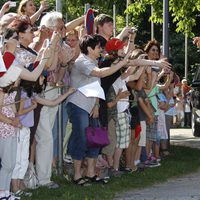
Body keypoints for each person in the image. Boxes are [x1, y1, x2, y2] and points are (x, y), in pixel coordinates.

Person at [66, 35, 130, 186]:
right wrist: (121, 64)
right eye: (99, 47)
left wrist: (96, 105)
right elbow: (99, 74)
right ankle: (76, 176)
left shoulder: (93, 61)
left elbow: (96, 86)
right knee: (80, 139)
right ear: (89, 48)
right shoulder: (82, 62)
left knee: (95, 141)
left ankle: (90, 173)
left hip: (91, 107)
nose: (101, 50)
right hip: (78, 105)